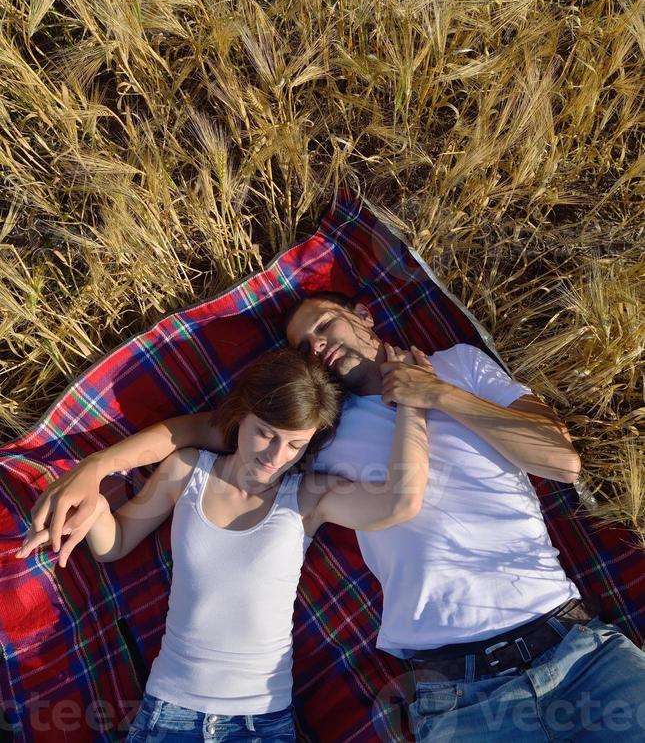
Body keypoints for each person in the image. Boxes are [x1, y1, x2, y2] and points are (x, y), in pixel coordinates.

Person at [20, 293, 645, 740]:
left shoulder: (462, 366)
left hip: (573, 643)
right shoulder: (319, 422)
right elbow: (208, 431)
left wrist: (432, 394)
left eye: (322, 324)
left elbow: (561, 461)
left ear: (363, 315)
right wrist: (93, 468)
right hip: (457, 686)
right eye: (304, 346)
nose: (317, 346)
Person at [16, 343, 430, 742]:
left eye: (295, 444)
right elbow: (116, 543)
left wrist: (412, 402)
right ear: (241, 416)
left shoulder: (309, 496)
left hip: (260, 724)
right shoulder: (187, 470)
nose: (275, 455)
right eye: (265, 433)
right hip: (169, 713)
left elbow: (400, 501)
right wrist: (91, 503)